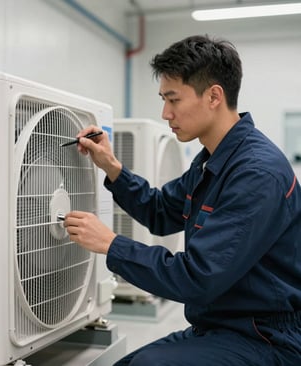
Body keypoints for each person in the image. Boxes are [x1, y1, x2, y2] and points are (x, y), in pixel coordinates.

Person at [63, 35, 301, 365]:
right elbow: (159, 210)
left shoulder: (257, 174)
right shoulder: (212, 160)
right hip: (220, 325)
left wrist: (111, 244)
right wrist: (111, 167)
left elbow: (198, 278)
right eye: (164, 99)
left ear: (214, 96)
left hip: (265, 336)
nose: (165, 113)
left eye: (173, 100)